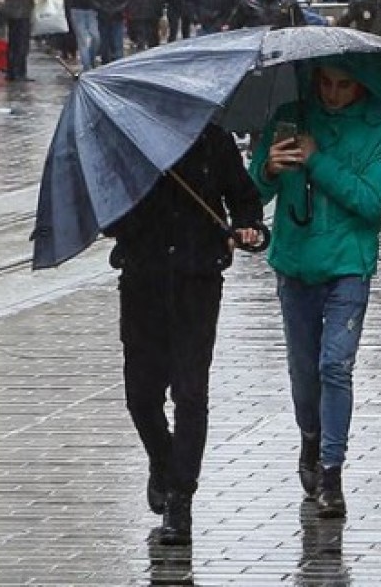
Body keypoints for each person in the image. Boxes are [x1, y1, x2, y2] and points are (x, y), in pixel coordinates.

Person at [248, 57, 381, 519]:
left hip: (348, 264)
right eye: (325, 83)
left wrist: (317, 159)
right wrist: (269, 169)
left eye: (344, 85)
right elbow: (252, 194)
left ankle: (331, 471)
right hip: (295, 262)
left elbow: (370, 203)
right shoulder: (290, 118)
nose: (332, 94)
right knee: (303, 370)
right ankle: (309, 437)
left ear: (362, 86)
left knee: (335, 365)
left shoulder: (380, 133)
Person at [104, 124, 265, 546]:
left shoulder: (213, 139)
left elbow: (244, 198)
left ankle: (181, 499)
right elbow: (108, 217)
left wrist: (247, 227)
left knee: (190, 392)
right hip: (143, 280)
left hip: (197, 280)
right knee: (141, 394)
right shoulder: (131, 141)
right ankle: (163, 460)